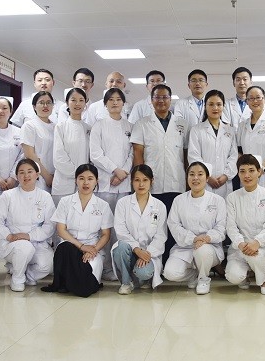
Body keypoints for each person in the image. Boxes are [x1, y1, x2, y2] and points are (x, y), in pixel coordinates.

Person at [42, 164, 113, 297]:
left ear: (96, 181)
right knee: (65, 248)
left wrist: (93, 250)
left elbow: (106, 235)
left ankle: (69, 283)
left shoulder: (103, 205)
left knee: (87, 288)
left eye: (90, 179)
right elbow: (61, 230)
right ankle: (68, 282)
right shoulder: (65, 202)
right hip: (69, 247)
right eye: (81, 178)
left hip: (92, 249)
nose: (86, 182)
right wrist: (81, 246)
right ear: (76, 180)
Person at [0, 159, 56, 292]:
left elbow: (50, 225)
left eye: (30, 172)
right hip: (12, 242)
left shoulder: (45, 196)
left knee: (47, 266)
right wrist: (9, 236)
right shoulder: (8, 196)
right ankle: (17, 279)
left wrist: (29, 236)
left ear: (37, 174)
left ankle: (26, 274)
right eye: (21, 172)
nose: (26, 176)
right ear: (17, 176)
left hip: (37, 241)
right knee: (24, 248)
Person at [163, 162, 227, 295]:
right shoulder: (179, 200)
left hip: (209, 246)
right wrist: (193, 238)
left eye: (200, 174)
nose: (195, 178)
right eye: (191, 174)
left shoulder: (217, 200)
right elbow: (173, 224)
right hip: (185, 246)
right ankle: (194, 275)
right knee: (170, 273)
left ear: (207, 178)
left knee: (202, 251)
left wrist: (206, 238)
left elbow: (221, 227)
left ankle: (204, 279)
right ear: (187, 178)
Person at [89, 87, 133, 280]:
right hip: (105, 183)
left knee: (121, 228)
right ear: (105, 104)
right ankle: (104, 267)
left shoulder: (130, 126)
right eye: (111, 100)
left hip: (124, 184)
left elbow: (132, 153)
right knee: (104, 227)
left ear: (124, 103)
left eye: (118, 99)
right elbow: (95, 154)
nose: (115, 102)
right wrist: (115, 170)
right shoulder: (99, 126)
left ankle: (120, 267)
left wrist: (123, 173)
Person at [225, 154, 265, 295]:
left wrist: (257, 242)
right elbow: (231, 227)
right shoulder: (232, 198)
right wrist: (240, 244)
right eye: (242, 171)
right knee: (233, 276)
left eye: (251, 170)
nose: (247, 175)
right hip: (240, 247)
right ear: (238, 173)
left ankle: (263, 281)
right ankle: (246, 275)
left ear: (259, 172)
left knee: (256, 256)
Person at [131, 84, 189, 213]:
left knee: (174, 219)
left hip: (176, 181)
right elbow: (138, 153)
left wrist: (187, 179)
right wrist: (141, 179)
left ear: (170, 99)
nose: (161, 100)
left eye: (165, 97)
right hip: (152, 182)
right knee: (153, 219)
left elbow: (186, 154)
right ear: (151, 100)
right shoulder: (142, 124)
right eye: (157, 97)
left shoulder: (182, 124)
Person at [112, 165, 168, 294]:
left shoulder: (159, 206)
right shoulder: (123, 203)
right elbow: (121, 230)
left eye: (145, 180)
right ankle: (126, 282)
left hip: (149, 253)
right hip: (129, 250)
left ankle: (143, 279)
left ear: (152, 181)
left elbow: (161, 235)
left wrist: (146, 254)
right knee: (120, 248)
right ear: (132, 182)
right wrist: (136, 249)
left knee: (144, 273)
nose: (141, 184)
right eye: (137, 180)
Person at [188, 89, 238, 199]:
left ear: (223, 106)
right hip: (204, 182)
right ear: (205, 106)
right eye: (211, 104)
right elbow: (194, 156)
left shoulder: (230, 130)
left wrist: (226, 176)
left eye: (219, 104)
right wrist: (207, 176)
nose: (215, 108)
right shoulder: (196, 130)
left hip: (225, 183)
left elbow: (233, 156)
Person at [236, 86, 265, 192]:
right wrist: (246, 170)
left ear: (264, 99)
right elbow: (239, 151)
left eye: (258, 97)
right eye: (251, 98)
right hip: (247, 176)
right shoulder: (242, 125)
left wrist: (260, 169)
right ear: (247, 101)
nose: (255, 101)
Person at [52, 88, 91, 205]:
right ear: (67, 103)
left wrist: (83, 177)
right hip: (64, 183)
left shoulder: (89, 128)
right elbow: (59, 157)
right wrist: (78, 174)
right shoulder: (60, 127)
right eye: (73, 100)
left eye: (81, 100)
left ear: (85, 104)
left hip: (84, 183)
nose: (77, 104)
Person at [20, 91, 56, 192]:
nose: (45, 105)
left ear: (53, 106)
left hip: (54, 176)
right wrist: (47, 176)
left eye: (49, 102)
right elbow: (29, 154)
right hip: (37, 176)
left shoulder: (55, 127)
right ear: (34, 106)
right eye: (41, 102)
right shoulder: (29, 126)